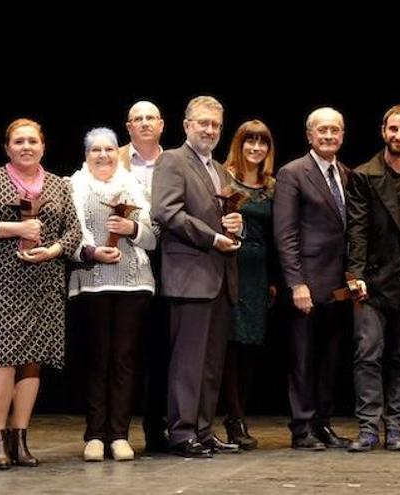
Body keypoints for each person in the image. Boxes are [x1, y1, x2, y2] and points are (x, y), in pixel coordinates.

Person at [0, 118, 81, 469]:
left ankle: (20, 439)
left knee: (33, 360)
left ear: (43, 146)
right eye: (19, 141)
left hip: (44, 280)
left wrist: (55, 249)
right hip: (2, 280)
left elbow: (73, 230)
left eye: (32, 141)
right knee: (3, 357)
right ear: (7, 147)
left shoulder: (58, 185)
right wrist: (15, 228)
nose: (26, 146)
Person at [151, 95, 242, 458]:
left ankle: (203, 430)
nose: (209, 130)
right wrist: (212, 237)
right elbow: (165, 210)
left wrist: (237, 226)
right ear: (187, 125)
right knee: (188, 361)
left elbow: (226, 218)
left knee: (210, 363)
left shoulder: (220, 170)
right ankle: (182, 431)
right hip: (190, 274)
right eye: (202, 123)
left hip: (220, 276)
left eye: (215, 125)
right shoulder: (172, 160)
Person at [68, 127, 156, 462]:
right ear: (86, 155)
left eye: (108, 149)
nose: (103, 155)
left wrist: (132, 229)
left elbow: (153, 237)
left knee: (124, 359)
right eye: (95, 150)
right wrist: (90, 251)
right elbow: (69, 232)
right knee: (96, 358)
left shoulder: (133, 187)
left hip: (133, 282)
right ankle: (94, 435)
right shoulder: (73, 186)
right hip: (92, 281)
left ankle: (119, 434)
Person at [344, 104, 400, 452]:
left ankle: (395, 426)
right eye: (393, 129)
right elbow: (357, 230)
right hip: (374, 277)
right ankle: (368, 427)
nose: (398, 136)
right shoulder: (364, 174)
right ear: (383, 131)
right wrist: (355, 274)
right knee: (368, 352)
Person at [273, 106, 351, 450]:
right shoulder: (293, 173)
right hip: (306, 283)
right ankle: (302, 427)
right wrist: (296, 283)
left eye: (335, 130)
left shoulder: (346, 174)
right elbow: (285, 233)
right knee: (302, 359)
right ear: (309, 135)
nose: (329, 136)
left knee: (329, 360)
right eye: (322, 130)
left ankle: (323, 423)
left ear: (343, 134)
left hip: (337, 287)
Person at [219, 119, 277, 450]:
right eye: (250, 141)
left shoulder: (272, 185)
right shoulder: (225, 178)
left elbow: (276, 235)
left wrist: (274, 279)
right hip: (231, 264)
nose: (256, 148)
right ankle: (234, 417)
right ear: (239, 145)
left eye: (262, 142)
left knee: (251, 345)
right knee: (231, 343)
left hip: (259, 272)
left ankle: (239, 413)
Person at [119, 100, 169, 453]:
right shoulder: (112, 157)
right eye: (138, 119)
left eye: (151, 118)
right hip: (125, 260)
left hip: (173, 259)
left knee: (164, 347)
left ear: (162, 124)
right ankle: (116, 430)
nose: (145, 123)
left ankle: (157, 427)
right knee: (126, 349)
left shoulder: (177, 160)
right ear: (129, 126)